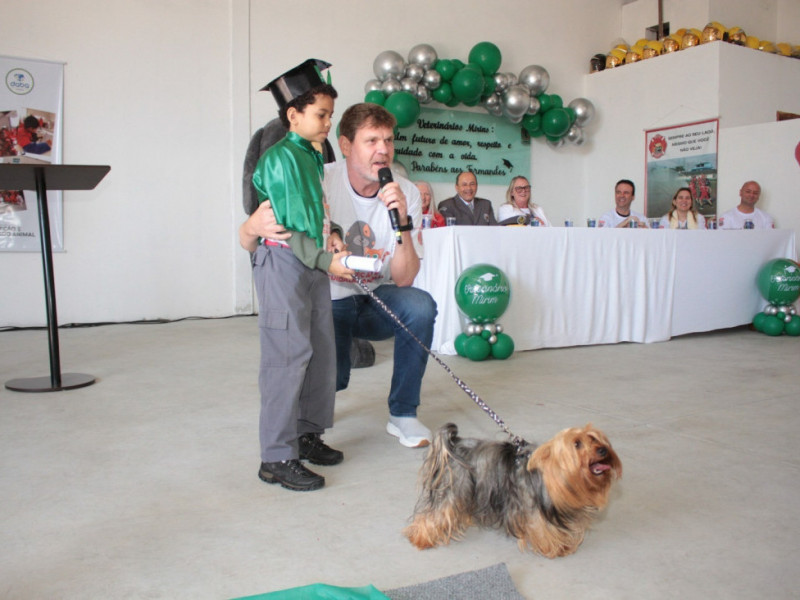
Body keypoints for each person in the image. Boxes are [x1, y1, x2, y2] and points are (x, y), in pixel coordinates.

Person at [239, 59, 353, 492]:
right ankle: (277, 456)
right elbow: (287, 227)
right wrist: (329, 262)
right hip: (285, 264)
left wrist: (335, 235)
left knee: (319, 351)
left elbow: (315, 214)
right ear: (293, 115)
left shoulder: (310, 155)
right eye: (321, 115)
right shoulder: (281, 157)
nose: (327, 123)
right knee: (286, 358)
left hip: (312, 263)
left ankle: (307, 434)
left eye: (329, 114)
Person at [326, 102, 438, 448]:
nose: (383, 150)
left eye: (388, 141)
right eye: (372, 140)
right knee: (336, 377)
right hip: (329, 300)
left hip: (377, 297)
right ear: (346, 146)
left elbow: (404, 279)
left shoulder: (404, 192)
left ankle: (403, 414)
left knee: (420, 306)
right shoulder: (322, 180)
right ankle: (311, 411)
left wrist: (402, 219)